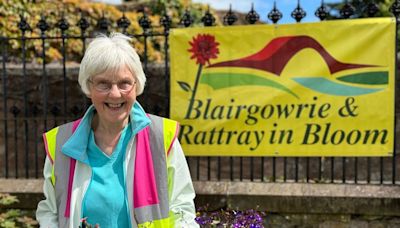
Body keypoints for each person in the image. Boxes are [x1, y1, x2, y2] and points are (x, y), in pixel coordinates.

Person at [36, 33, 199, 228]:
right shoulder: (61, 142)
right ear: (89, 86)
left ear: (136, 85)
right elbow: (50, 212)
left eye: (124, 83)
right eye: (103, 83)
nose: (115, 94)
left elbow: (183, 209)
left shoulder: (161, 135)